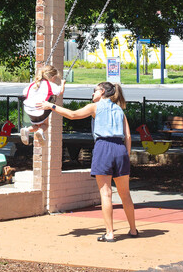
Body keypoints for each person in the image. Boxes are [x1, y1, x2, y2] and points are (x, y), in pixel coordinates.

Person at [37, 81, 138, 242]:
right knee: (125, 194)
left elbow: (73, 115)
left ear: (102, 91)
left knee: (106, 194)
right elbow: (128, 136)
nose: (92, 94)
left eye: (94, 91)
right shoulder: (120, 110)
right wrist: (125, 154)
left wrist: (51, 106)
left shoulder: (95, 107)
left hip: (104, 147)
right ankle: (133, 230)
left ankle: (110, 233)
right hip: (120, 150)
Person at [19, 65, 65, 146]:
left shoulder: (33, 84)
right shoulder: (50, 85)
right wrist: (63, 83)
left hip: (28, 109)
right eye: (55, 78)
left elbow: (24, 93)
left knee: (37, 125)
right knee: (45, 125)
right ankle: (40, 132)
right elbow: (60, 91)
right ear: (53, 77)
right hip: (40, 109)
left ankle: (27, 130)